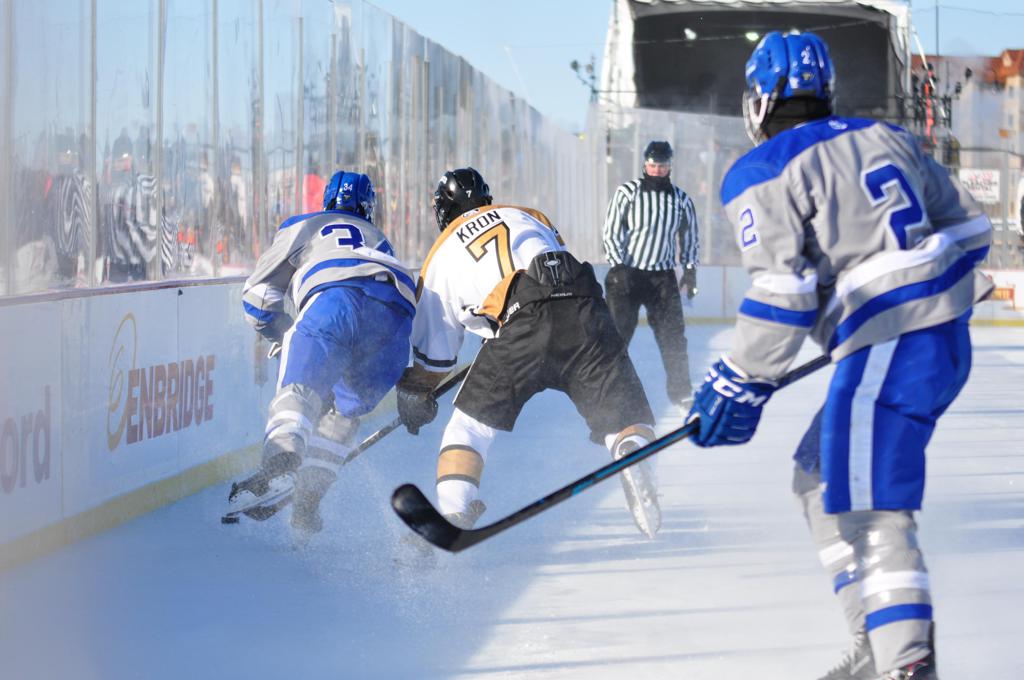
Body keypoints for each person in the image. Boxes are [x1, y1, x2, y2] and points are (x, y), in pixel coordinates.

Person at [685, 32, 993, 680]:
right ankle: (875, 641)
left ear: (760, 99)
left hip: (892, 340)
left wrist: (741, 376)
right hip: (936, 340)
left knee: (870, 509)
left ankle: (905, 663)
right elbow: (971, 230)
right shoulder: (889, 137)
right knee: (817, 476)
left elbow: (783, 293)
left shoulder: (762, 168)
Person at [395, 167, 661, 540]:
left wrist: (416, 395)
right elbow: (551, 263)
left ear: (442, 211)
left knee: (469, 428)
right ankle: (631, 450)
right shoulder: (529, 215)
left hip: (523, 319)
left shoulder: (441, 253)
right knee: (623, 417)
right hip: (584, 302)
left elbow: (434, 360)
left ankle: (454, 509)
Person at [228, 171, 415, 544]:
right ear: (369, 207)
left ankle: (280, 462)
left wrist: (282, 332)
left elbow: (258, 297)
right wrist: (419, 386)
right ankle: (307, 503)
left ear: (327, 200)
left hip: (334, 303)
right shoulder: (380, 240)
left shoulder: (304, 225)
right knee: (343, 414)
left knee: (299, 390)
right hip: (395, 319)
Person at [603, 140, 700, 409]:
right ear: (645, 165)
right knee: (616, 337)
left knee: (674, 338)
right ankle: (607, 394)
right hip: (628, 276)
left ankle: (681, 393)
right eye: (653, 165)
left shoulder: (681, 200)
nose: (657, 170)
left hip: (662, 279)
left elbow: (690, 238)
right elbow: (611, 232)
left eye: (662, 165)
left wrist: (690, 269)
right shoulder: (628, 193)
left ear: (670, 166)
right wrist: (617, 266)